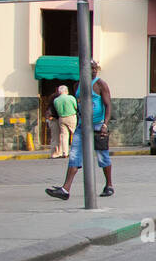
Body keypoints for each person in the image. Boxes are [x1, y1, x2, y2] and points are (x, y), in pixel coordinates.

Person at [46, 61, 113, 199]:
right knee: (75, 155)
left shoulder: (100, 84)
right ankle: (65, 189)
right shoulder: (78, 85)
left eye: (95, 68)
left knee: (102, 156)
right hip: (82, 125)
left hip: (97, 125)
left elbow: (108, 105)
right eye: (91, 68)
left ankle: (109, 184)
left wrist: (105, 124)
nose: (94, 71)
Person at [51, 85, 77, 158]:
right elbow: (76, 107)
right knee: (74, 133)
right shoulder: (71, 98)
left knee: (64, 136)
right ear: (66, 91)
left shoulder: (56, 100)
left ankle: (65, 152)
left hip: (61, 118)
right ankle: (77, 150)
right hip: (71, 116)